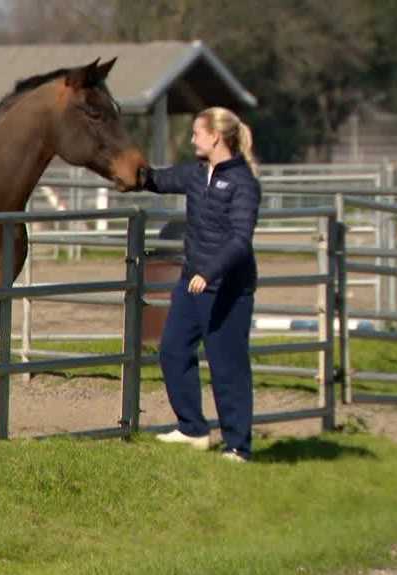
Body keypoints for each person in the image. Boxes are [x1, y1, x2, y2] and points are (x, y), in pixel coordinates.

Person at [137, 106, 261, 462]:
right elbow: (159, 180)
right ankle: (193, 428)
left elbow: (240, 240)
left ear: (216, 136)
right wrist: (128, 169)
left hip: (228, 289)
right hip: (191, 284)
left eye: (196, 133)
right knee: (173, 351)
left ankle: (239, 445)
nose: (192, 139)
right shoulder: (195, 174)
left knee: (227, 367)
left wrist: (209, 272)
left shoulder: (243, 183)